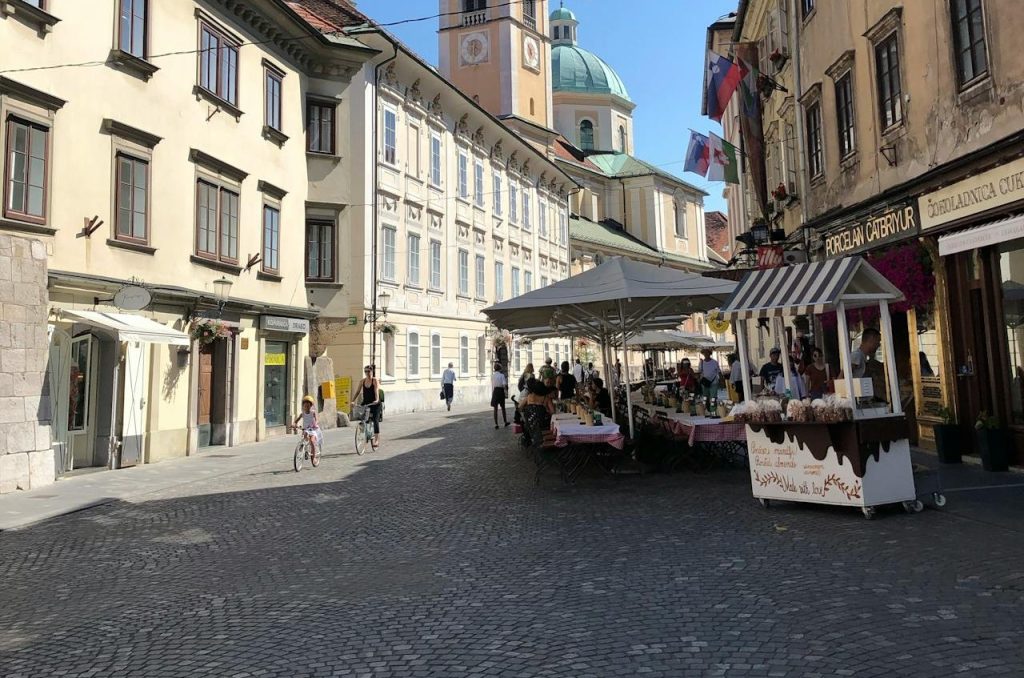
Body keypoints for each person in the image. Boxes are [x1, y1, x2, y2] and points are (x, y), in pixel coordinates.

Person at [353, 365, 382, 447]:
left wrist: (376, 399)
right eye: (365, 371)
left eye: (368, 371)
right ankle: (364, 432)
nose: (367, 373)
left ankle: (376, 440)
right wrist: (353, 400)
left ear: (372, 371)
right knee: (362, 417)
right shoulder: (362, 381)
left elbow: (376, 391)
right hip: (366, 403)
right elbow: (357, 392)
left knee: (375, 420)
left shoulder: (374, 380)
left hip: (375, 403)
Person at [293, 395, 322, 462]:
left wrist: (315, 424)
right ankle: (304, 449)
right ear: (303, 406)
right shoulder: (302, 414)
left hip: (313, 429)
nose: (306, 408)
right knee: (304, 438)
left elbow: (317, 420)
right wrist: (294, 424)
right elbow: (296, 421)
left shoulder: (313, 413)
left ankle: (314, 457)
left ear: (311, 406)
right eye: (305, 406)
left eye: (308, 406)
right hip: (306, 429)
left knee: (312, 441)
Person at [491, 362, 510, 429]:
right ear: (500, 369)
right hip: (500, 391)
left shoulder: (492, 376)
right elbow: (504, 384)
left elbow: (493, 385)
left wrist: (493, 393)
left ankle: (496, 424)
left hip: (495, 391)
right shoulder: (502, 375)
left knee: (495, 408)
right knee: (503, 408)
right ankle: (505, 422)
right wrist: (506, 390)